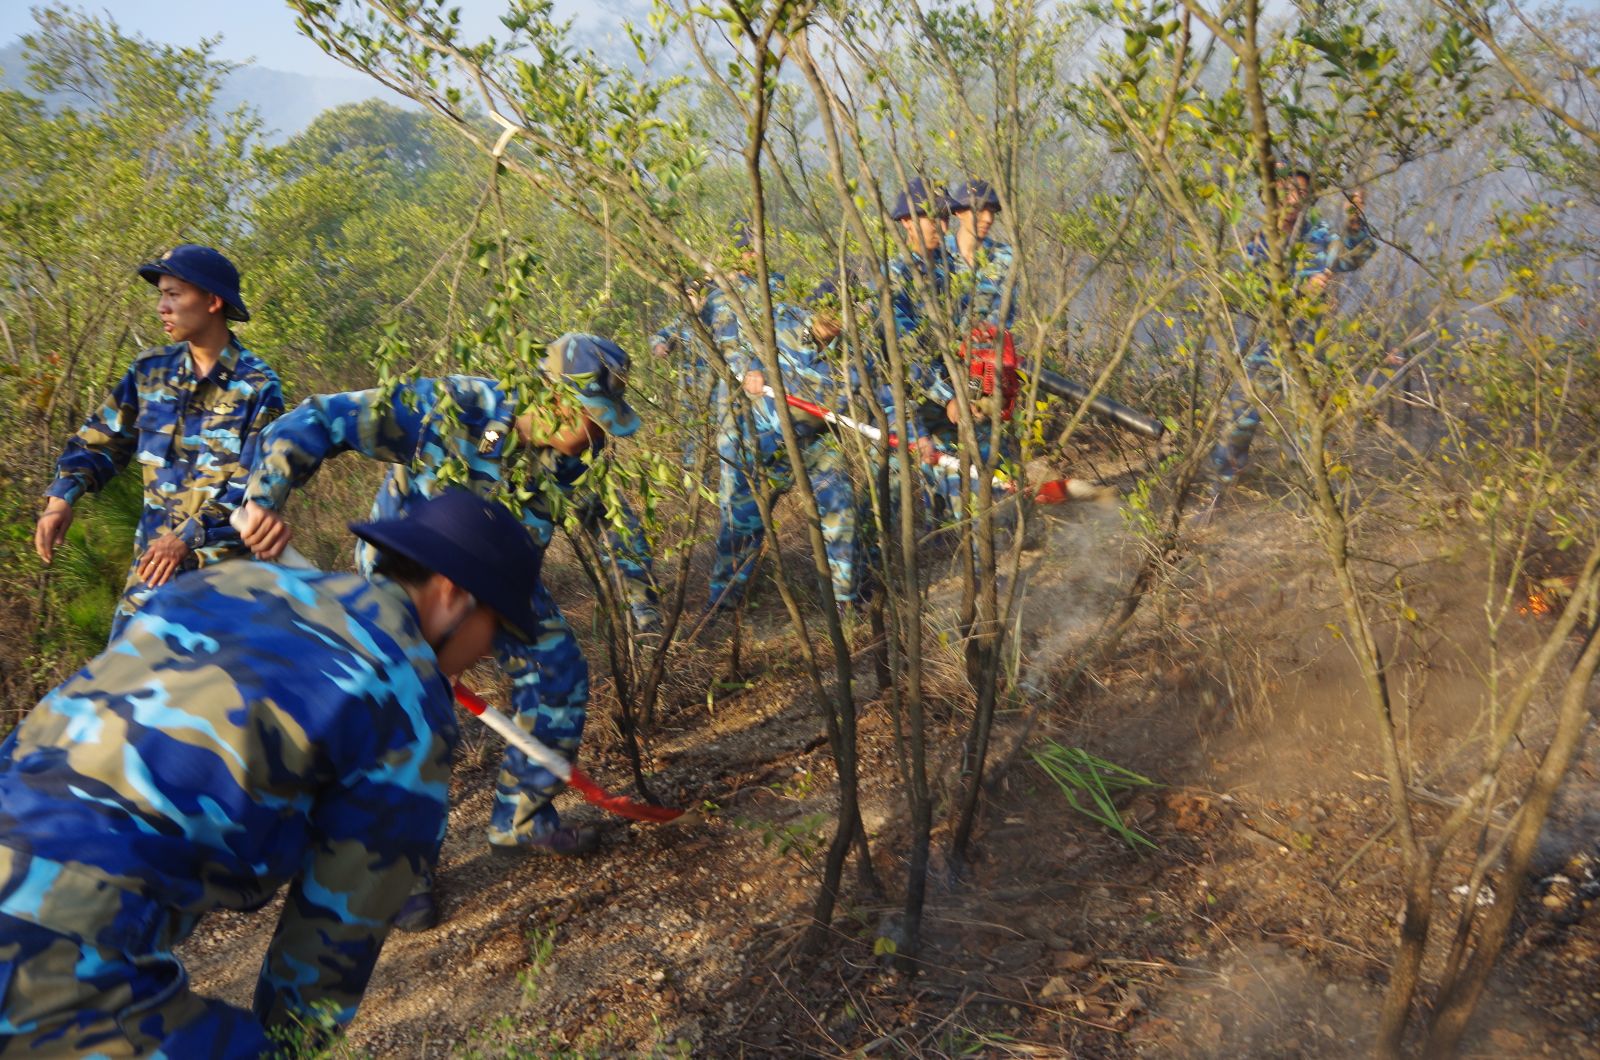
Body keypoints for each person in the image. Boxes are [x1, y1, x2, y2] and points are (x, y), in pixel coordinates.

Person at [0, 489, 543, 1055]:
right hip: (52, 944)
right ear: (453, 594)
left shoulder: (222, 583)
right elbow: (332, 942)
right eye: (497, 629)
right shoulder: (406, 698)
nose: (490, 652)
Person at [238, 334, 643, 931]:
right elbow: (320, 417)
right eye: (592, 417)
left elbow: (609, 515)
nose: (596, 434)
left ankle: (523, 817)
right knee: (410, 717)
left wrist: (642, 596)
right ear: (556, 399)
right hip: (411, 582)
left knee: (557, 668)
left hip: (497, 585)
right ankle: (404, 871)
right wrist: (263, 499)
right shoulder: (454, 407)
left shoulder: (575, 454)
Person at [33, 244, 283, 640]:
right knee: (119, 675)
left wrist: (185, 538)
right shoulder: (150, 371)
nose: (161, 307)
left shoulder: (258, 386)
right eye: (161, 295)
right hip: (151, 578)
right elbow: (100, 442)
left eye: (173, 294)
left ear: (212, 301)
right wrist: (61, 499)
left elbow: (254, 490)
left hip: (226, 587)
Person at [1209, 165, 1376, 484]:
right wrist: (1301, 291)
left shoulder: (1320, 236)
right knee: (1240, 418)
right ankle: (1221, 485)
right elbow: (1256, 293)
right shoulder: (1257, 242)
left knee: (1311, 426)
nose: (1294, 199)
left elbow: (1355, 256)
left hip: (1309, 349)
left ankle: (1316, 493)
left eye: (1302, 193)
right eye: (1287, 191)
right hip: (1265, 345)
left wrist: (1355, 218)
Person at [708, 286, 859, 616]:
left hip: (818, 442)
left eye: (842, 311)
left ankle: (845, 601)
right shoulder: (780, 319)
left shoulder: (857, 351)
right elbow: (731, 338)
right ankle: (724, 602)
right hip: (765, 437)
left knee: (841, 509)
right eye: (828, 308)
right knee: (741, 522)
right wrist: (750, 365)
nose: (833, 318)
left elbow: (882, 394)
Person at [946, 178, 1018, 331]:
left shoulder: (1004, 257)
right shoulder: (940, 255)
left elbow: (1004, 314)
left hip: (987, 343)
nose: (988, 219)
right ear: (959, 212)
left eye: (991, 211)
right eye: (979, 210)